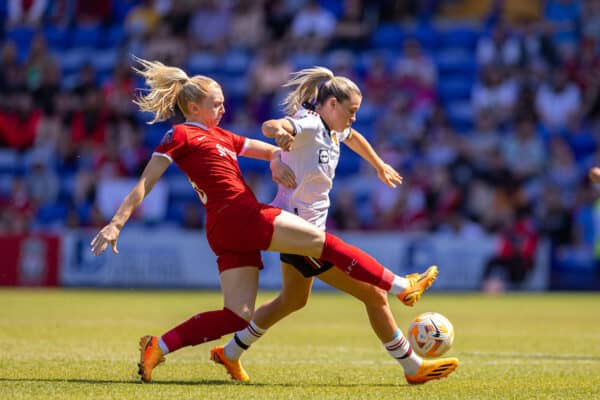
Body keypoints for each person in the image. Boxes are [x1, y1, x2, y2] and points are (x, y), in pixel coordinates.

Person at [89, 58, 443, 383]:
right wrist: (116, 222)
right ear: (194, 107)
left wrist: (277, 159)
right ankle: (401, 286)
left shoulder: (223, 137)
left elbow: (271, 149)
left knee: (238, 314)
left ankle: (160, 347)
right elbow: (145, 182)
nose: (224, 107)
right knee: (327, 246)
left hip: (225, 229)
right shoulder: (181, 135)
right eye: (217, 103)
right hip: (240, 215)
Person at [210, 67, 458, 385]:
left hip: (302, 230)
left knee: (293, 300)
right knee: (374, 296)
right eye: (351, 111)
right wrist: (279, 133)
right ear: (331, 105)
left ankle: (229, 353)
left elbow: (352, 137)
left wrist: (379, 165)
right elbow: (271, 124)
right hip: (300, 232)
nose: (353, 118)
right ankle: (412, 366)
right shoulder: (311, 124)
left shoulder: (332, 128)